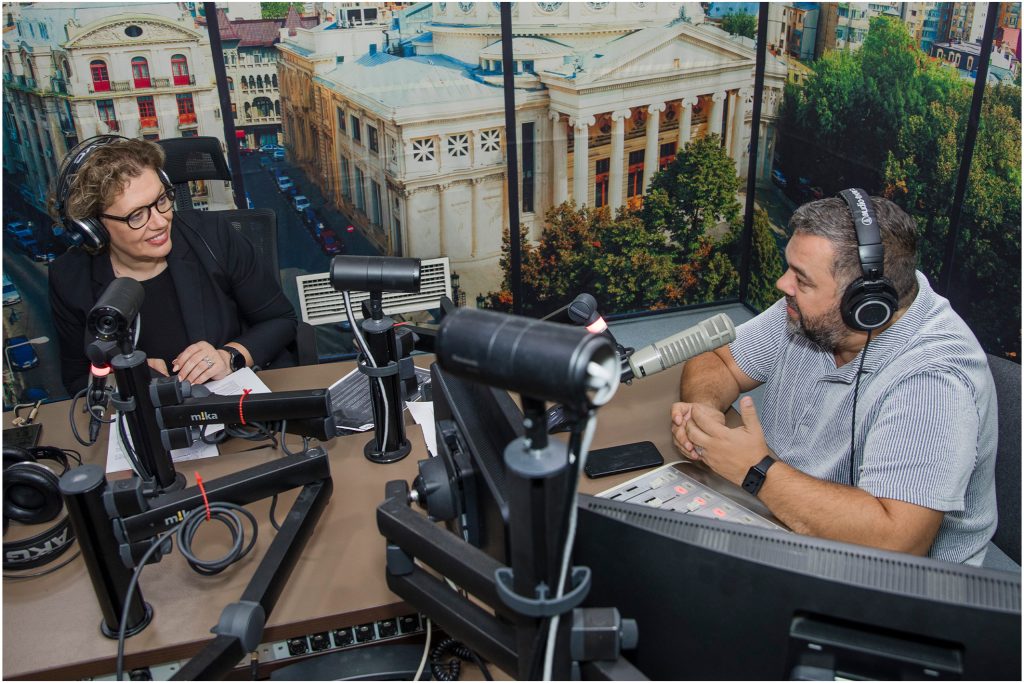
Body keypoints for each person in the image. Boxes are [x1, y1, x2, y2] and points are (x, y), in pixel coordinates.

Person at [671, 195, 997, 565]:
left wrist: (755, 471)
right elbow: (719, 359)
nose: (782, 284)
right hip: (779, 512)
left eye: (802, 279)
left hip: (879, 578)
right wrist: (705, 415)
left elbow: (899, 545)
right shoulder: (810, 312)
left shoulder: (933, 381)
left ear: (865, 303)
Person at [49, 136, 298, 395]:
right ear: (94, 227)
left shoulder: (213, 235)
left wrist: (229, 357)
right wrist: (125, 377)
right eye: (137, 215)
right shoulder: (69, 278)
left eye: (161, 200)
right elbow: (77, 378)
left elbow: (280, 320)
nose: (160, 222)